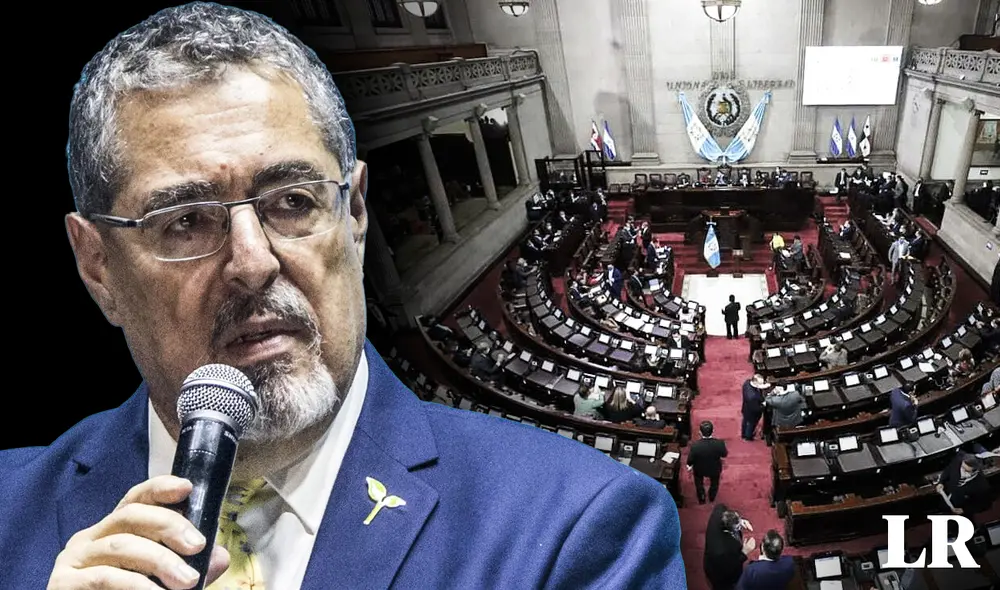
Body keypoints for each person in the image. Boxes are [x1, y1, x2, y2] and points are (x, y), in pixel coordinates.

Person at [3, 5, 686, 589]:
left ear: (354, 215)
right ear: (97, 266)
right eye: (185, 221)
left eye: (292, 202)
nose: (253, 262)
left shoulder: (575, 524)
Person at [704, 505, 756, 590]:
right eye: (738, 527)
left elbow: (720, 506)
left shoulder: (719, 512)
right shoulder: (721, 550)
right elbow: (728, 567)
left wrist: (741, 521)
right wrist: (744, 552)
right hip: (721, 575)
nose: (741, 527)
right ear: (729, 529)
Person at [936, 454, 993, 531]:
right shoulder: (957, 461)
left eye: (967, 471)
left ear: (976, 471)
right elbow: (948, 470)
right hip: (947, 499)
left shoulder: (982, 486)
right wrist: (941, 482)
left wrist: (965, 510)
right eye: (962, 468)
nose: (963, 473)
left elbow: (985, 505)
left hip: (963, 511)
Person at [687, 421, 728, 504]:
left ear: (700, 432)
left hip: (699, 469)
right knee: (714, 484)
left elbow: (690, 459)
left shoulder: (695, 446)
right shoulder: (719, 443)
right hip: (714, 468)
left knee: (699, 484)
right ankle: (712, 497)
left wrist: (689, 465)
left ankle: (702, 498)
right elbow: (724, 454)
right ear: (713, 431)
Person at [741, 375, 769, 441]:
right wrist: (764, 405)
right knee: (751, 425)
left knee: (745, 421)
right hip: (752, 413)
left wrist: (762, 386)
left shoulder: (747, 382)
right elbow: (756, 409)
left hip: (746, 408)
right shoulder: (752, 396)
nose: (762, 384)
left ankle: (743, 434)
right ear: (755, 382)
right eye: (760, 383)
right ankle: (748, 437)